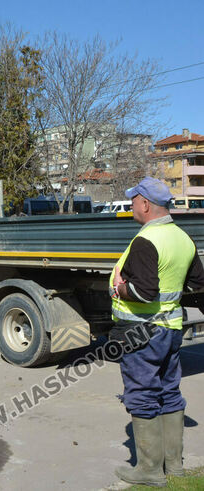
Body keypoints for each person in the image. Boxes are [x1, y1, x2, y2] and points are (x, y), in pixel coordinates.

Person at [111, 177, 204, 486]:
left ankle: (149, 471)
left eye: (133, 200)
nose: (131, 205)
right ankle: (173, 466)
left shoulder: (146, 240)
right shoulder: (183, 238)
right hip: (170, 329)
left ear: (145, 204)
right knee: (169, 391)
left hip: (141, 331)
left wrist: (120, 288)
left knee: (142, 394)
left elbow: (144, 292)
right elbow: (198, 284)